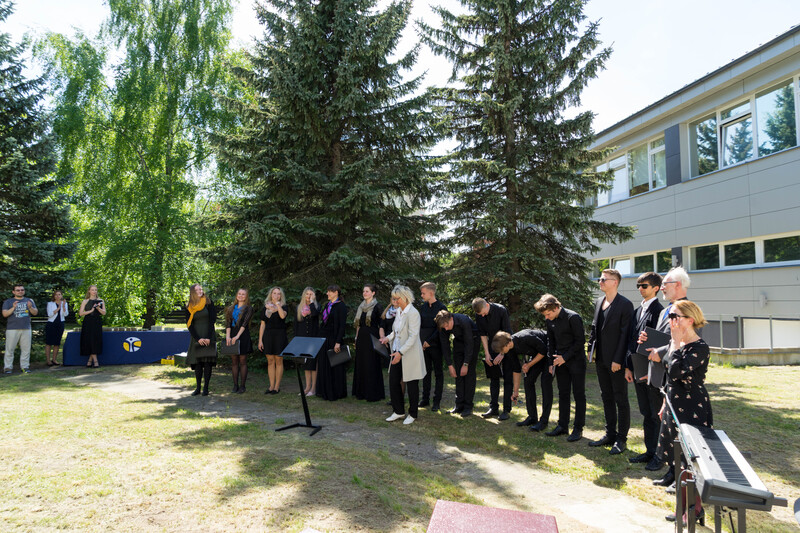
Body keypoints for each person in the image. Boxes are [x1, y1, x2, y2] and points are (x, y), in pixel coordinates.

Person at [652, 300, 711, 525]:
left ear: (690, 320)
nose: (671, 321)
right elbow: (669, 377)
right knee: (678, 457)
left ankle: (694, 509)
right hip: (674, 403)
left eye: (675, 317)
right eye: (670, 317)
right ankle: (683, 508)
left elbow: (677, 371)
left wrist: (675, 343)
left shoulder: (699, 347)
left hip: (692, 406)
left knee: (691, 459)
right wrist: (665, 403)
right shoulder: (676, 343)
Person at [587, 269, 633, 455]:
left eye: (604, 279)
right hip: (601, 359)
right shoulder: (599, 302)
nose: (600, 281)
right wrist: (591, 350)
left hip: (616, 362)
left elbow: (625, 335)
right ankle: (610, 434)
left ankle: (621, 439)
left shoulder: (625, 305)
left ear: (615, 282)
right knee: (606, 397)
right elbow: (595, 328)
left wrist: (618, 359)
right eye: (600, 278)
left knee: (620, 399)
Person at [625, 272, 665, 471]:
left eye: (644, 285)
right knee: (645, 412)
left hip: (652, 370)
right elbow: (630, 340)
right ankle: (649, 451)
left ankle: (659, 455)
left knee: (655, 413)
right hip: (637, 366)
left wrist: (653, 370)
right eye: (638, 285)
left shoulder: (660, 312)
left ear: (656, 288)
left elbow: (662, 342)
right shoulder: (637, 310)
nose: (640, 289)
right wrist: (628, 366)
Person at [535, 294, 586, 442]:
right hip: (559, 362)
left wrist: (565, 357)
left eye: (548, 314)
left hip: (576, 361)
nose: (547, 317)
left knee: (578, 395)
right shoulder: (549, 320)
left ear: (556, 307)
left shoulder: (573, 317)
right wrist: (551, 362)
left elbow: (580, 341)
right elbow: (550, 342)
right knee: (563, 393)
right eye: (545, 315)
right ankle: (562, 426)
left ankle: (578, 428)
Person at [381, 285, 426, 424]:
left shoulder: (413, 313)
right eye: (393, 298)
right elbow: (396, 331)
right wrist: (387, 338)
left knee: (412, 384)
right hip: (396, 352)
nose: (394, 301)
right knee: (393, 382)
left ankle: (413, 414)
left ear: (405, 297)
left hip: (409, 354)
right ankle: (398, 411)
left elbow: (413, 336)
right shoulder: (399, 311)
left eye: (397, 298)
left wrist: (401, 352)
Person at [492, 329, 551, 432]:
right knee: (528, 381)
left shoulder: (525, 337)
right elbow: (516, 369)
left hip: (548, 351)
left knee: (545, 383)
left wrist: (529, 364)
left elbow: (543, 351)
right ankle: (532, 417)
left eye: (501, 350)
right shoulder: (510, 349)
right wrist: (515, 392)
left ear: (508, 344)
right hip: (537, 354)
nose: (501, 353)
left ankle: (544, 421)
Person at [473, 298, 518, 420]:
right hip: (492, 347)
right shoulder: (479, 314)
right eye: (480, 314)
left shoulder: (501, 310)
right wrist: (487, 353)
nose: (482, 316)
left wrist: (502, 354)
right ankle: (493, 408)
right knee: (494, 378)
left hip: (506, 347)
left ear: (487, 305)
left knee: (508, 378)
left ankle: (506, 410)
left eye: (483, 313)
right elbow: (483, 334)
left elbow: (507, 333)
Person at [435, 310, 479, 418]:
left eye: (447, 326)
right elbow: (445, 345)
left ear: (451, 319)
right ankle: (459, 405)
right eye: (443, 327)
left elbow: (469, 343)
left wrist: (466, 364)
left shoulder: (463, 321)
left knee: (468, 375)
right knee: (458, 375)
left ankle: (468, 406)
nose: (446, 329)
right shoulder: (443, 325)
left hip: (473, 341)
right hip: (458, 342)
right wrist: (450, 365)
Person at [352, 284, 385, 402]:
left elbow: (382, 324)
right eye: (363, 291)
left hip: (372, 338)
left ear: (373, 293)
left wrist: (382, 338)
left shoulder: (378, 306)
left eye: (367, 291)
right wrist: (356, 338)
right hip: (361, 338)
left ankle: (372, 393)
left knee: (371, 363)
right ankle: (361, 392)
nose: (364, 293)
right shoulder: (361, 307)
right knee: (361, 363)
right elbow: (359, 325)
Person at [418, 282, 447, 411]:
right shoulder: (423, 307)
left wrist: (430, 341)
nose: (421, 295)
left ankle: (436, 401)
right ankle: (425, 399)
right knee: (425, 372)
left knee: (438, 373)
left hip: (436, 344)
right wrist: (422, 341)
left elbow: (441, 327)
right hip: (423, 344)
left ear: (431, 293)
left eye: (423, 293)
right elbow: (420, 325)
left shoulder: (441, 307)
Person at [184, 284, 217, 396]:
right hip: (196, 337)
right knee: (198, 363)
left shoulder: (208, 302)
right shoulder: (189, 306)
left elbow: (212, 320)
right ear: (192, 292)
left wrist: (208, 337)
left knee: (207, 362)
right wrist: (198, 338)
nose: (200, 291)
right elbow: (189, 324)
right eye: (197, 290)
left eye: (201, 289)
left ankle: (206, 388)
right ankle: (198, 388)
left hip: (208, 335)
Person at [316, 284, 348, 401]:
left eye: (329, 291)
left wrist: (338, 342)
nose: (327, 293)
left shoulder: (341, 306)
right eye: (327, 291)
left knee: (335, 365)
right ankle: (324, 390)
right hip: (324, 338)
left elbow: (342, 326)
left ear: (336, 293)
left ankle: (335, 392)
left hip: (334, 339)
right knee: (324, 364)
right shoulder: (327, 305)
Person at [259, 286, 288, 394]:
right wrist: (260, 340)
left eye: (278, 293)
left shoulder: (284, 306)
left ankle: (276, 387)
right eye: (274, 293)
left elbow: (282, 316)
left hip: (280, 335)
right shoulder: (266, 307)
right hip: (268, 335)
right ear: (271, 294)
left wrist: (277, 304)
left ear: (281, 296)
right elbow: (262, 325)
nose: (276, 295)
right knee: (270, 361)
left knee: (279, 360)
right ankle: (271, 386)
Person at [2, 284, 38, 373]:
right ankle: (8, 368)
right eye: (18, 290)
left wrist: (30, 307)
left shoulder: (29, 301)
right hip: (12, 329)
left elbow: (35, 313)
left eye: (22, 290)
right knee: (10, 349)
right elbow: (5, 314)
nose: (20, 291)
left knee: (26, 349)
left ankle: (25, 367)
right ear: (13, 292)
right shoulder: (8, 302)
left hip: (26, 328)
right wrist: (13, 307)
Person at [225, 288, 254, 394]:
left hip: (243, 335)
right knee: (234, 362)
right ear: (236, 295)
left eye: (243, 294)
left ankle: (242, 386)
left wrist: (237, 336)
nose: (241, 296)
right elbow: (228, 324)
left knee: (243, 361)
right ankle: (235, 385)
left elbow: (244, 324)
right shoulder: (231, 308)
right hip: (232, 335)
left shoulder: (248, 308)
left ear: (246, 296)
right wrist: (228, 337)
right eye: (239, 294)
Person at [294, 287, 320, 396]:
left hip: (314, 339)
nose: (309, 296)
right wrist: (296, 339)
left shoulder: (316, 306)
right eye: (307, 294)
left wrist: (312, 302)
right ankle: (307, 387)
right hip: (302, 339)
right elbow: (296, 324)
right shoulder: (299, 308)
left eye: (311, 294)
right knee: (306, 364)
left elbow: (314, 314)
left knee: (312, 364)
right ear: (304, 295)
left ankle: (313, 389)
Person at [79, 285, 106, 368]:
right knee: (89, 340)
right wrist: (90, 311)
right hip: (88, 322)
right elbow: (81, 313)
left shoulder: (101, 301)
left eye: (95, 290)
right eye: (92, 290)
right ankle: (95, 361)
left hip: (97, 322)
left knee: (95, 340)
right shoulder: (85, 301)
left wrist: (98, 309)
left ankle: (90, 361)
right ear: (89, 291)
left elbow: (104, 313)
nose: (94, 291)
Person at [45, 290, 69, 366]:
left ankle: (54, 359)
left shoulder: (64, 303)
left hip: (60, 323)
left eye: (59, 294)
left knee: (57, 342)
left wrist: (63, 307)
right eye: (56, 295)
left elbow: (66, 314)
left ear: (61, 295)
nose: (58, 296)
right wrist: (58, 308)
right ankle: (48, 360)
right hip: (51, 323)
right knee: (49, 342)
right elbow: (49, 314)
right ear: (54, 296)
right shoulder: (50, 304)